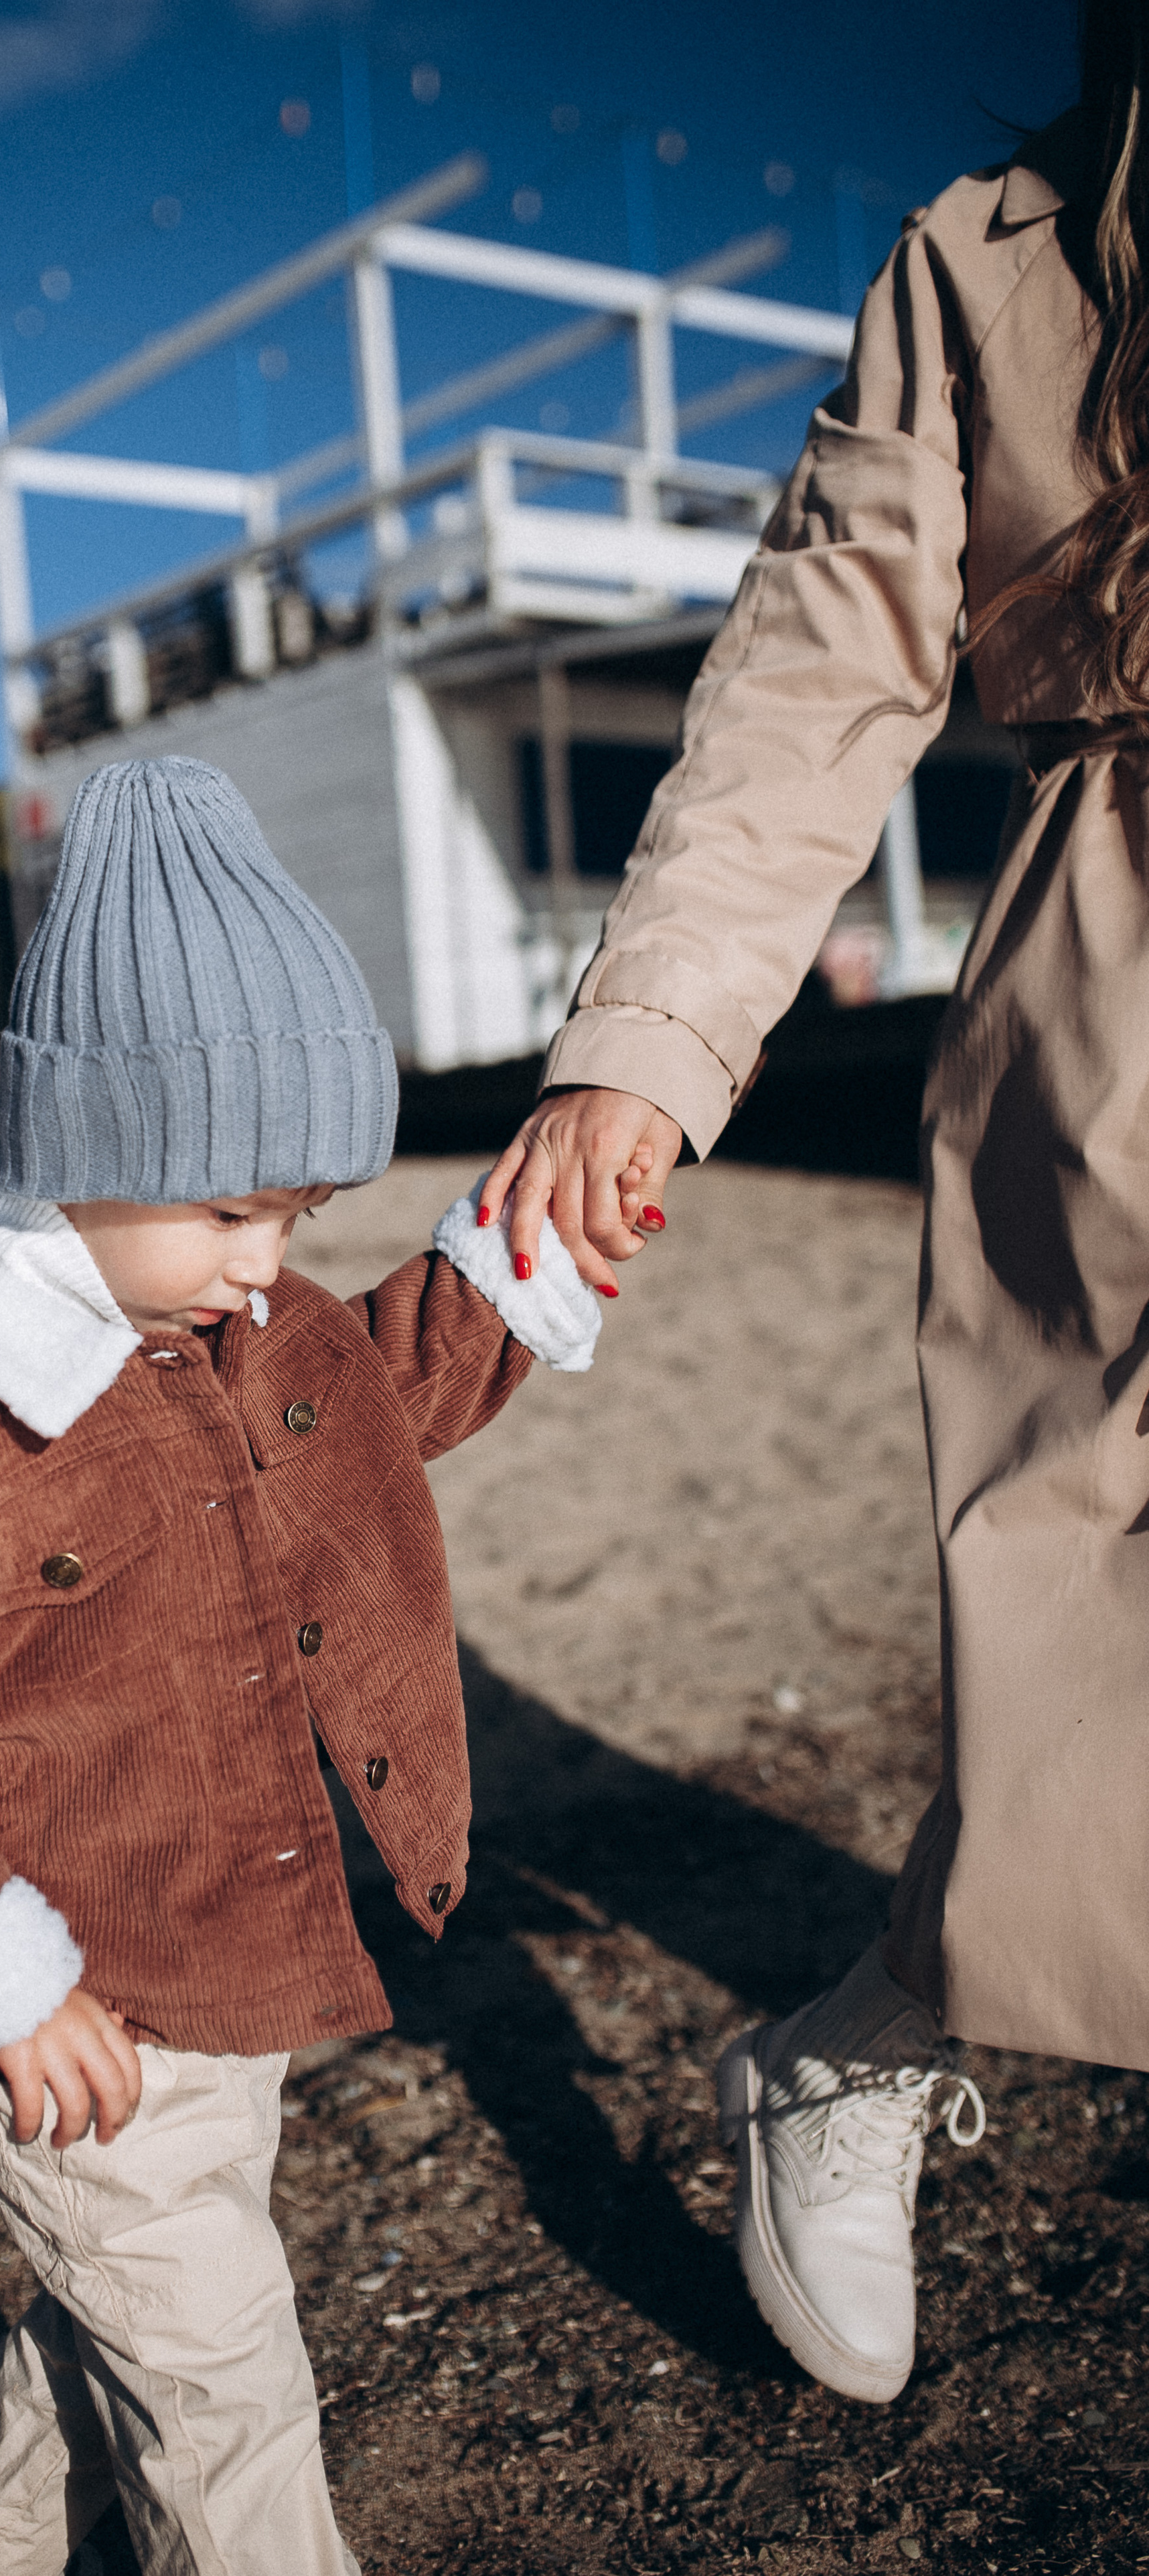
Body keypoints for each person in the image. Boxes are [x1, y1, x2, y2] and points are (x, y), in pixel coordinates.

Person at [0, 755, 602, 2576]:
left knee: (135, 2331)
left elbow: (379, 1388)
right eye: (233, 1212)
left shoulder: (235, 1312)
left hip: (223, 1954)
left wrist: (524, 1264)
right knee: (227, 2391)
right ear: (89, 1157)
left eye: (301, 1217)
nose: (267, 1268)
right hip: (65, 2009)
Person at [480, 0, 1149, 2410]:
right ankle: (860, 2049)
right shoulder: (992, 266)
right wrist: (647, 1051)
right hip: (1126, 981)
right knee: (1093, 1606)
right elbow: (815, 670)